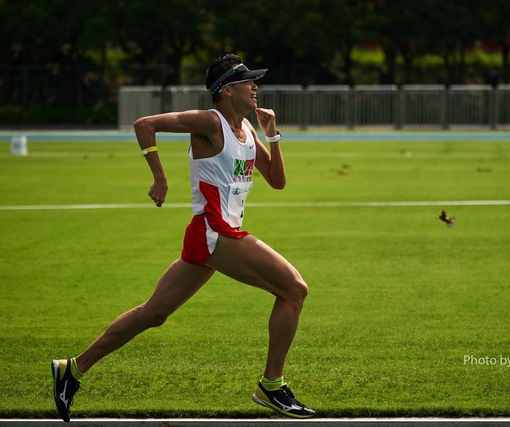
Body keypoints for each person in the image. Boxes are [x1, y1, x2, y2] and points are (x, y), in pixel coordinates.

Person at [51, 54, 316, 421]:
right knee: (294, 289)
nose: (255, 87)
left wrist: (272, 135)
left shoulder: (249, 132)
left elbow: (278, 181)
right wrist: (160, 176)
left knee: (153, 314)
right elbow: (145, 124)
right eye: (248, 82)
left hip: (211, 236)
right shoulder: (210, 121)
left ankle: (72, 368)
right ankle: (272, 385)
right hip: (214, 231)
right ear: (226, 89)